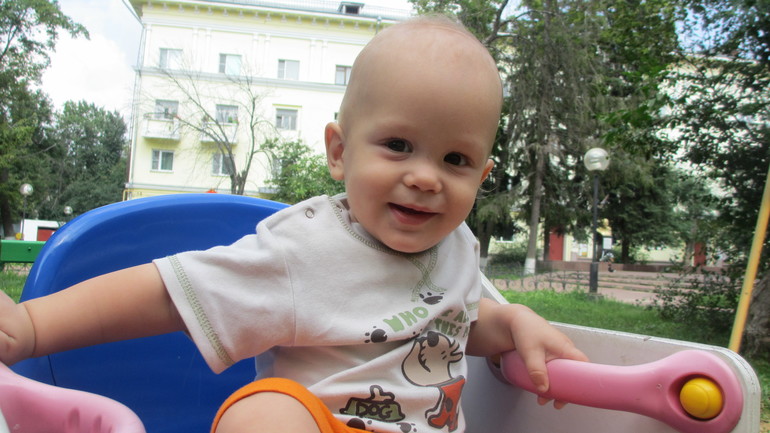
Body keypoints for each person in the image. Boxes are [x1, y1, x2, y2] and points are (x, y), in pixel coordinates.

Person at [0, 15, 587, 433]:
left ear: (481, 175)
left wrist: (513, 321)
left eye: (454, 159)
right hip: (327, 424)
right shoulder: (306, 248)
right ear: (340, 151)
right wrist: (31, 325)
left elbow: (456, 325)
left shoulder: (458, 246)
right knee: (262, 414)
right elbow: (171, 295)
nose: (425, 177)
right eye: (398, 145)